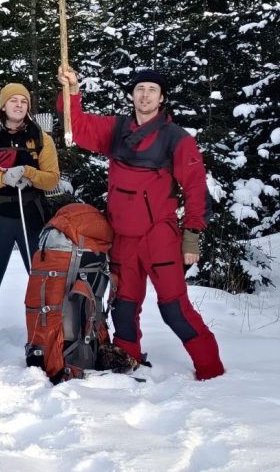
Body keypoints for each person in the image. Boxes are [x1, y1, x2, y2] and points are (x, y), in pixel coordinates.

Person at [57, 66, 224, 380]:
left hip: (159, 235)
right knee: (123, 306)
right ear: (132, 95)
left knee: (174, 308)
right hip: (122, 236)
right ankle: (126, 360)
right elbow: (76, 127)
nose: (145, 95)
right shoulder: (117, 129)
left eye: (152, 90)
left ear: (161, 98)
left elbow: (195, 186)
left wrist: (192, 235)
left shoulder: (176, 138)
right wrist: (72, 90)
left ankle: (211, 369)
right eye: (140, 89)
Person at [0, 83, 60, 341]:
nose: (18, 105)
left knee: (41, 277)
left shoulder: (40, 138)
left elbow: (52, 179)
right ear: (3, 105)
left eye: (23, 101)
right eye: (13, 101)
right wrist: (3, 179)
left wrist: (28, 173)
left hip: (32, 215)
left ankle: (48, 335)